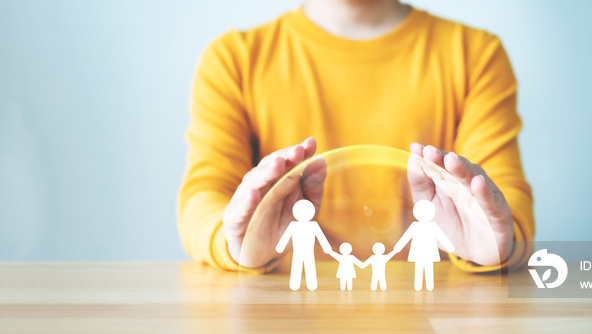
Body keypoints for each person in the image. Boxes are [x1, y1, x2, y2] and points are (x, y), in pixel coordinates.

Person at [178, 0, 534, 274]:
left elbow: (505, 199)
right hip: (284, 320)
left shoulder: (475, 56)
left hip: (429, 322)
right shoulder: (234, 60)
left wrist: (497, 245)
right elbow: (204, 194)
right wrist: (232, 241)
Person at [392, 200, 455, 291]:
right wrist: (398, 247)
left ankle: (427, 286)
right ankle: (420, 286)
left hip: (428, 253)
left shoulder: (431, 226)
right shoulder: (416, 226)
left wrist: (449, 247)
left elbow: (441, 237)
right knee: (420, 269)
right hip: (420, 253)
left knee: (427, 269)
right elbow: (406, 237)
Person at [275, 199, 332, 290]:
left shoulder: (313, 225)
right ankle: (295, 285)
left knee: (309, 267)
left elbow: (321, 237)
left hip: (308, 252)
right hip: (298, 252)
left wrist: (326, 247)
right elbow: (286, 236)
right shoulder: (294, 225)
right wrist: (280, 246)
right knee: (297, 267)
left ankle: (311, 285)